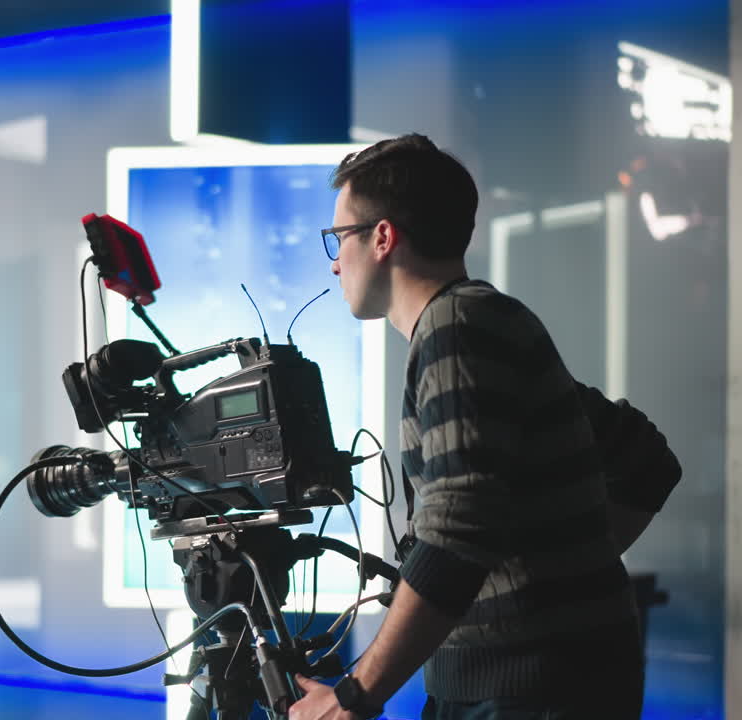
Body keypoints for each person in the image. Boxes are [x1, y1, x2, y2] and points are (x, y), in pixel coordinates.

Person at [288, 134, 681, 720]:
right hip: (528, 681)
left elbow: (456, 527)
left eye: (338, 237)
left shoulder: (457, 328)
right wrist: (553, 574)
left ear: (383, 237)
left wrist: (353, 696)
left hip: (527, 691)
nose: (334, 261)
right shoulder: (482, 323)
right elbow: (646, 459)